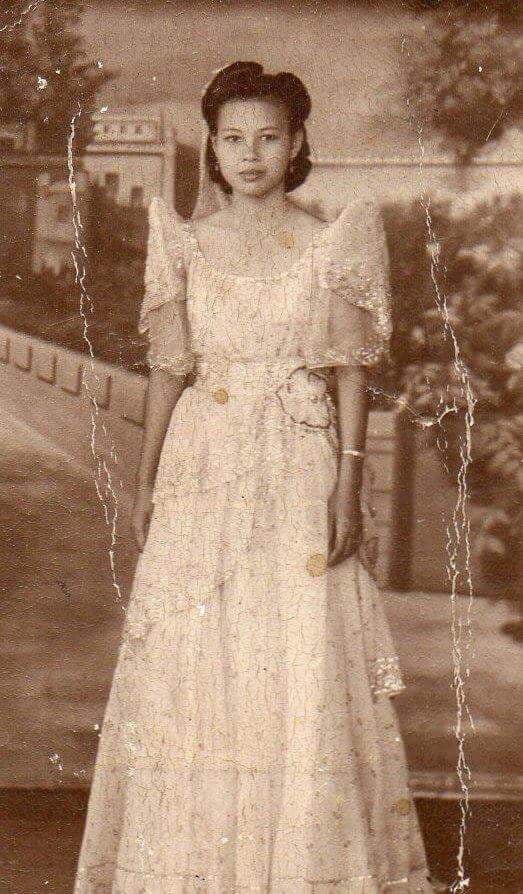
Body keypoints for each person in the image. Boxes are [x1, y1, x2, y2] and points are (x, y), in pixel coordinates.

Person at [73, 61, 436, 893]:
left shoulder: (331, 240)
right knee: (197, 655)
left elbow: (350, 374)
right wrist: (145, 477)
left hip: (301, 462)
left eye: (268, 138)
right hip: (205, 465)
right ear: (212, 146)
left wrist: (349, 481)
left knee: (298, 652)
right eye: (232, 138)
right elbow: (169, 370)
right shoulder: (185, 241)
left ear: (298, 143)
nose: (249, 154)